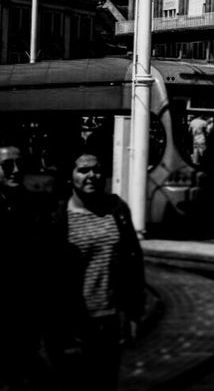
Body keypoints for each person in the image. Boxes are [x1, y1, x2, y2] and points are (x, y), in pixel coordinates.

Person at [50, 152, 145, 391]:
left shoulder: (117, 209)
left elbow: (134, 262)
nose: (91, 175)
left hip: (110, 319)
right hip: (73, 322)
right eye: (83, 170)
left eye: (97, 169)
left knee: (105, 383)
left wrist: (133, 312)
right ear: (70, 176)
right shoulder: (56, 216)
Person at [1, 144, 57, 389]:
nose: (15, 170)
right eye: (6, 165)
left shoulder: (35, 205)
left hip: (29, 311)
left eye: (19, 165)